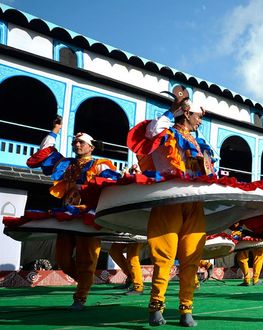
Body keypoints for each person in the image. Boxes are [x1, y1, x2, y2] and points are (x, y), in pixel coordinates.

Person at [132, 88, 213, 327]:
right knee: (164, 256)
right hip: (168, 199)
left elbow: (200, 171)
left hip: (193, 201)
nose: (200, 120)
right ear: (186, 113)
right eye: (198, 116)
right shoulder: (165, 133)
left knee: (191, 256)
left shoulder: (197, 142)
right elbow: (151, 130)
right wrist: (175, 107)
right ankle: (156, 306)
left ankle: (186, 308)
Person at [26, 116, 119, 310]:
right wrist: (56, 130)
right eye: (75, 142)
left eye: (81, 142)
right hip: (65, 215)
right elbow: (43, 153)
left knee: (87, 259)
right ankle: (86, 281)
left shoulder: (101, 165)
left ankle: (80, 296)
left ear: (91, 147)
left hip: (88, 217)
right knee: (63, 259)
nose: (77, 144)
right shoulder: (65, 164)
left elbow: (115, 184)